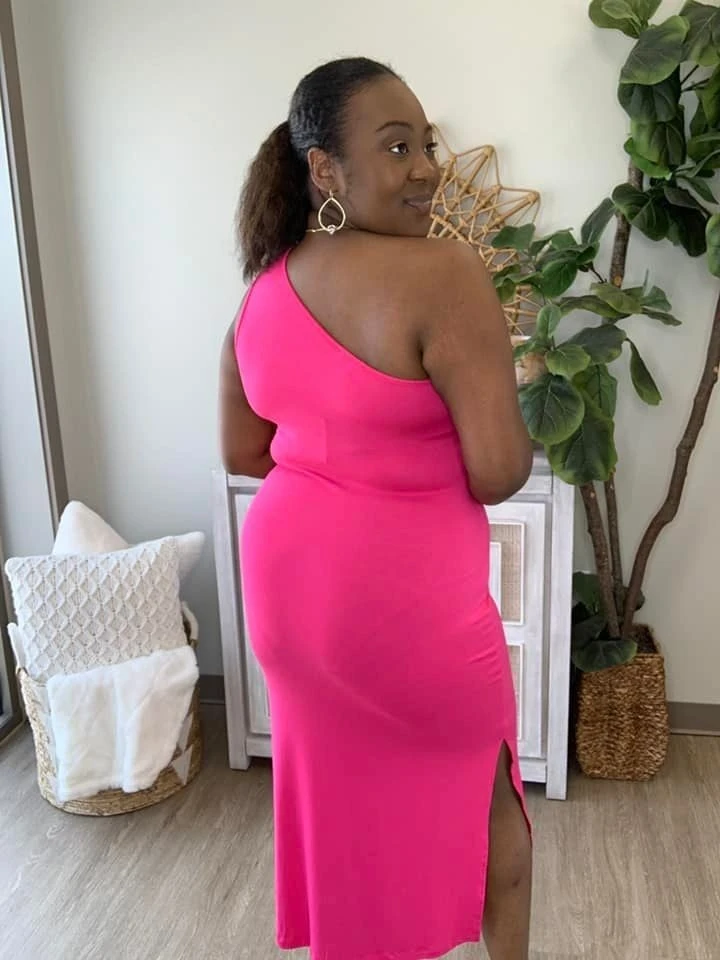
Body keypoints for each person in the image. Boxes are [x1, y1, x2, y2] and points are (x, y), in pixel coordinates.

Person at [219, 57, 534, 960]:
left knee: (346, 813)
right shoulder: (446, 274)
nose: (426, 167)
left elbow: (243, 451)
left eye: (425, 145)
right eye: (397, 148)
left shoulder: (262, 290)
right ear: (325, 170)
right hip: (408, 614)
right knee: (492, 807)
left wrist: (344, 453)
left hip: (291, 612)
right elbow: (499, 470)